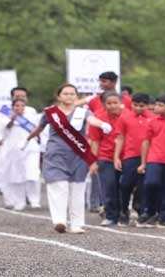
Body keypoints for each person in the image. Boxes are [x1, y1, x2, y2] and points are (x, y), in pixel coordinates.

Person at [26, 84, 106, 233]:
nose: (69, 96)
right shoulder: (51, 113)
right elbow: (39, 128)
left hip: (78, 156)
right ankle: (59, 221)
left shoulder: (83, 112)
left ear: (76, 96)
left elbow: (92, 120)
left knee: (77, 189)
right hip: (56, 155)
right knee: (59, 186)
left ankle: (77, 224)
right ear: (59, 96)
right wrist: (27, 138)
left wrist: (103, 124)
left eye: (72, 94)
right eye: (66, 94)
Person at [0, 97, 42, 210]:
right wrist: (12, 120)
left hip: (30, 147)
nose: (19, 108)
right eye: (17, 106)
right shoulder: (5, 116)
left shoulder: (32, 117)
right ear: (13, 107)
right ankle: (19, 201)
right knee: (16, 176)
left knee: (32, 174)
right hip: (13, 149)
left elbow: (39, 130)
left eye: (22, 106)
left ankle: (34, 200)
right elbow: (4, 130)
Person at [139, 95, 165, 228]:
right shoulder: (152, 121)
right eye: (156, 104)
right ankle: (150, 210)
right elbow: (146, 141)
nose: (155, 107)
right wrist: (143, 162)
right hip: (154, 158)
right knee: (151, 183)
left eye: (160, 105)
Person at [88, 91, 128, 227]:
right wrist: (93, 161)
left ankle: (124, 213)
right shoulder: (98, 119)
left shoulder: (127, 115)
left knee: (124, 187)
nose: (112, 106)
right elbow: (95, 141)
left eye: (115, 103)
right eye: (109, 103)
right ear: (104, 104)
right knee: (109, 186)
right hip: (105, 157)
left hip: (126, 156)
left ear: (121, 103)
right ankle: (110, 215)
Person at [114, 93, 154, 222]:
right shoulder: (125, 118)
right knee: (126, 184)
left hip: (149, 156)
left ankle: (141, 209)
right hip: (130, 155)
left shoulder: (153, 118)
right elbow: (120, 138)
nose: (138, 108)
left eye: (141, 106)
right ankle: (124, 209)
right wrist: (116, 157)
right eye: (135, 105)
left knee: (144, 185)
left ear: (147, 106)